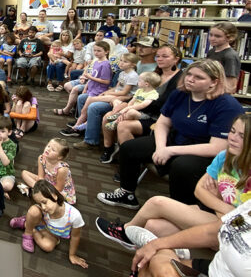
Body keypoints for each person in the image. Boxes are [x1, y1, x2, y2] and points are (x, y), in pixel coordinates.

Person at [97, 59, 244, 209]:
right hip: (175, 140)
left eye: (199, 77)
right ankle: (126, 193)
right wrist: (161, 147)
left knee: (181, 166)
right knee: (129, 147)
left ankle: (180, 210)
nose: (190, 79)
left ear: (214, 82)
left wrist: (170, 150)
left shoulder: (226, 105)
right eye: (189, 74)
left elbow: (216, 148)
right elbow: (162, 123)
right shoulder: (180, 94)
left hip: (203, 152)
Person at [96, 114, 250, 253]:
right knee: (152, 227)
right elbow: (199, 191)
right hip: (213, 214)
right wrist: (224, 206)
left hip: (236, 229)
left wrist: (216, 200)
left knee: (157, 203)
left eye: (242, 136)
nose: (232, 138)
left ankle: (125, 231)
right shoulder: (224, 157)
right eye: (232, 131)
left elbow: (243, 218)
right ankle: (148, 263)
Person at [101, 44, 184, 163]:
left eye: (164, 56)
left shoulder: (179, 79)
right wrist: (126, 105)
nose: (159, 59)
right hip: (139, 109)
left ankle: (129, 161)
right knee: (107, 117)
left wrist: (130, 108)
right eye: (158, 56)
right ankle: (108, 149)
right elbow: (140, 93)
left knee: (123, 126)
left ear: (176, 59)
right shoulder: (156, 73)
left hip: (158, 118)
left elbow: (161, 104)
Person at [129, 201, 251, 277]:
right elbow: (212, 232)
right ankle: (166, 251)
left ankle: (170, 252)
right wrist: (157, 244)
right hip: (217, 267)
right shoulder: (249, 206)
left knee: (161, 270)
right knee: (152, 261)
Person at [8, 180, 87, 269]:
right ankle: (28, 232)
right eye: (40, 204)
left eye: (44, 202)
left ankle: (27, 224)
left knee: (48, 247)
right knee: (33, 211)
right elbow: (36, 209)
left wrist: (72, 255)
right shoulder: (45, 208)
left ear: (55, 196)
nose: (43, 207)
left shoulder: (74, 215)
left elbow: (75, 236)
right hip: (43, 223)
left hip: (54, 233)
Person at [20, 138, 76, 203]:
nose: (48, 149)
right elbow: (40, 177)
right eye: (48, 146)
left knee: (55, 198)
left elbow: (59, 188)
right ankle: (38, 192)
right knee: (24, 173)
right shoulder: (41, 158)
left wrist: (44, 188)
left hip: (59, 189)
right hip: (47, 181)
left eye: (53, 150)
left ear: (59, 157)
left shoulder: (62, 169)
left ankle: (34, 192)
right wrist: (42, 187)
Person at [206, 22, 241, 94]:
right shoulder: (211, 52)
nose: (212, 38)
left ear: (230, 38)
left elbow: (231, 86)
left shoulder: (230, 56)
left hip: (219, 94)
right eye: (211, 35)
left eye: (218, 36)